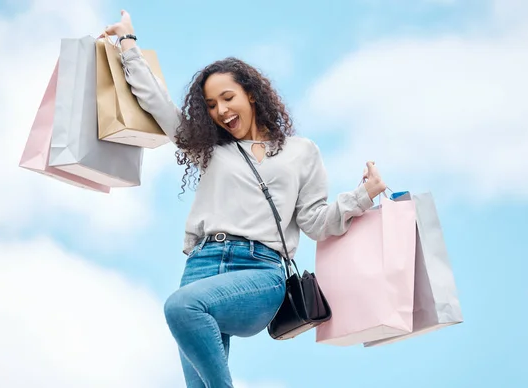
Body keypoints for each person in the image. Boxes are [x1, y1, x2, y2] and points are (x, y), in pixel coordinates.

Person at [105, 9, 386, 388]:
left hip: (259, 272)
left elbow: (317, 223)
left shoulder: (301, 152)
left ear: (250, 94)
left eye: (227, 97)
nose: (220, 111)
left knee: (181, 307)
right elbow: (156, 101)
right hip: (201, 268)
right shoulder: (210, 149)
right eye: (210, 105)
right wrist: (128, 43)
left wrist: (362, 196)